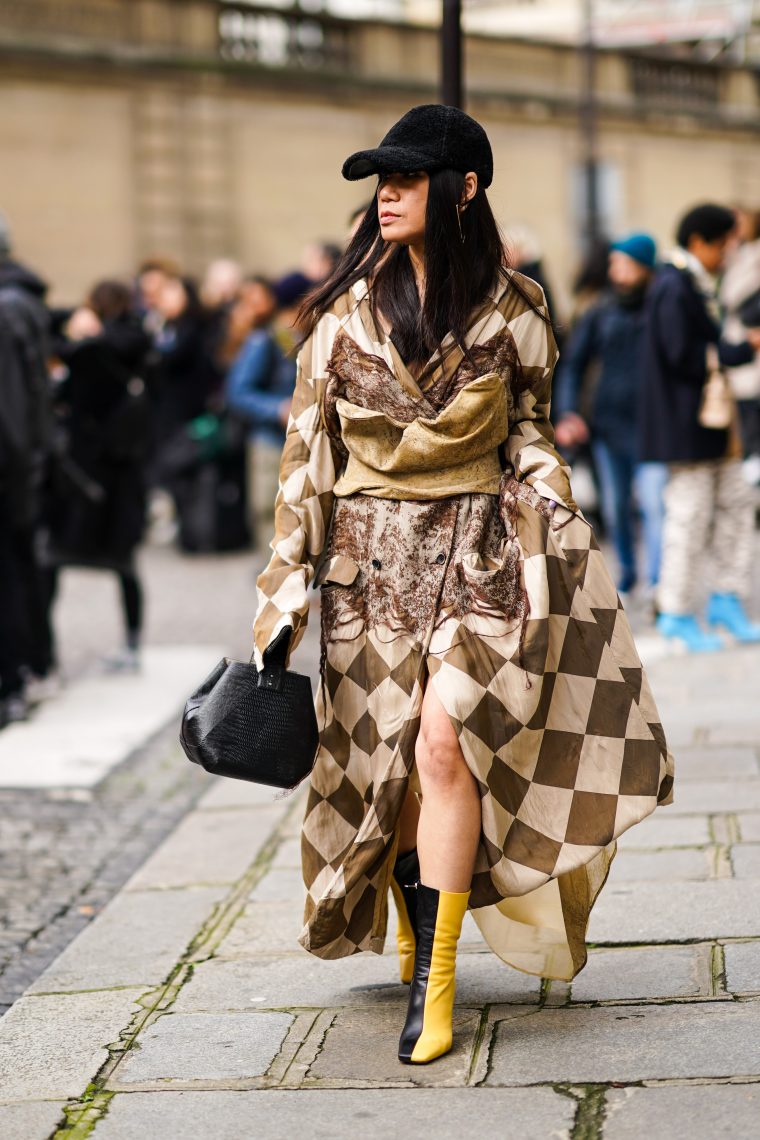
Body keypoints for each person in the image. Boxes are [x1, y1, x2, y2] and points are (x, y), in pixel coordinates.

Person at [251, 105, 674, 1066]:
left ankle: (434, 982)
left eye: (407, 177)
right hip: (365, 572)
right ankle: (414, 936)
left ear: (465, 187)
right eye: (381, 181)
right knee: (390, 769)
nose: (387, 195)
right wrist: (283, 592)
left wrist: (553, 503)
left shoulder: (516, 306)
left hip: (481, 557)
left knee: (445, 746)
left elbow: (527, 425)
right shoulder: (340, 310)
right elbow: (304, 459)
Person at [640, 203, 760, 651]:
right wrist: (741, 349)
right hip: (685, 428)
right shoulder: (673, 285)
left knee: (737, 504)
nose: (728, 254)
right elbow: (683, 354)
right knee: (688, 519)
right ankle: (676, 611)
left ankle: (726, 598)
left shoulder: (691, 283)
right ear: (699, 242)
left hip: (711, 427)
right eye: (724, 244)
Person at [44, 280, 152, 671]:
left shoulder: (91, 351)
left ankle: (45, 654)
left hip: (86, 475)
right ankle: (132, 645)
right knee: (122, 563)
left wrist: (77, 327)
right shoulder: (137, 344)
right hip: (120, 474)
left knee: (53, 560)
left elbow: (53, 340)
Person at [555, 233, 662, 595]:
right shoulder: (600, 311)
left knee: (653, 504)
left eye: (625, 264)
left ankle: (657, 580)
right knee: (616, 505)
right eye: (615, 263)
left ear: (644, 267)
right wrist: (569, 412)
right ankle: (629, 572)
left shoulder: (659, 307)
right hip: (607, 423)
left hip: (652, 424)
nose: (617, 270)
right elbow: (572, 364)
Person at [0, 214, 52, 720]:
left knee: (15, 574)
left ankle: (16, 677)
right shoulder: (20, 302)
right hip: (19, 467)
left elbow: (14, 406)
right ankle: (32, 664)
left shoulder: (8, 307)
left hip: (12, 471)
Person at [226, 273, 309, 542]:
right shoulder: (267, 340)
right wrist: (277, 408)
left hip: (301, 441)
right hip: (270, 442)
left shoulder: (306, 338)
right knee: (269, 516)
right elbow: (237, 391)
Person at [720, 207, 760, 483]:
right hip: (738, 348)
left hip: (751, 347)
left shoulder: (753, 258)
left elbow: (736, 299)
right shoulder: (733, 258)